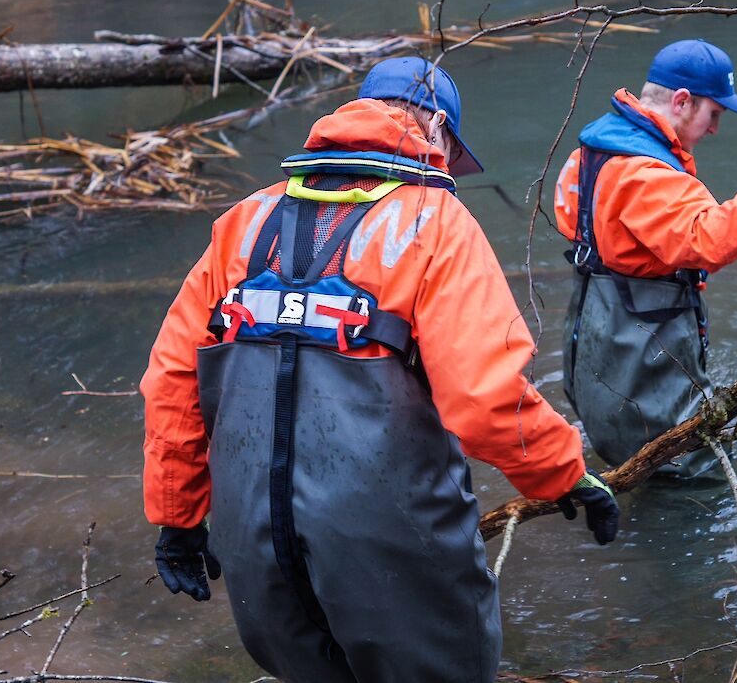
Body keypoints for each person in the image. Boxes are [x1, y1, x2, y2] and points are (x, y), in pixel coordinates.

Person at [141, 56, 620, 683]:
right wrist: (565, 474)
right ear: (439, 131)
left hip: (254, 539)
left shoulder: (243, 222)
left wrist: (178, 517)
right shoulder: (436, 223)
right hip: (391, 546)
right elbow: (485, 399)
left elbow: (172, 382)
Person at [554, 39, 737, 479]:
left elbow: (576, 224)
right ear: (682, 101)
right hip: (644, 364)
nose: (714, 130)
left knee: (626, 462)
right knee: (694, 478)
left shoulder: (589, 155)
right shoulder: (647, 174)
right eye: (714, 114)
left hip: (592, 354)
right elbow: (710, 240)